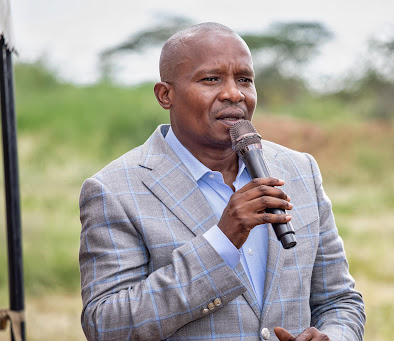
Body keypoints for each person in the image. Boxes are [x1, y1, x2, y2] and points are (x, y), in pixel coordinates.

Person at [79, 22, 365, 341]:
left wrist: (335, 337)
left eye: (244, 79)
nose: (234, 93)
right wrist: (222, 242)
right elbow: (107, 325)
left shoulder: (299, 170)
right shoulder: (116, 190)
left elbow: (340, 302)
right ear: (165, 95)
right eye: (211, 79)